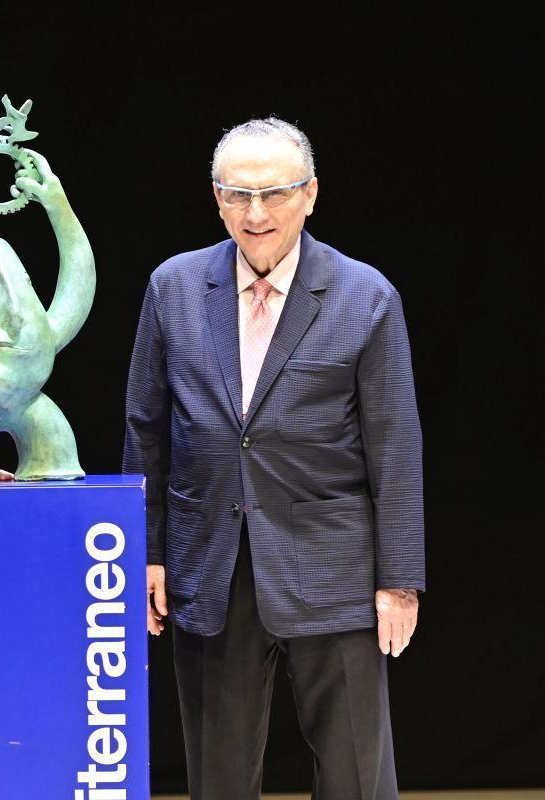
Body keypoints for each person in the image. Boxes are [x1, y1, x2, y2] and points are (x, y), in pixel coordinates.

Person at [123, 117, 424, 799]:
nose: (255, 214)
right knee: (219, 776)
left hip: (334, 566)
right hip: (210, 563)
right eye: (237, 195)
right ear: (217, 199)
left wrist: (399, 579)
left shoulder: (364, 295)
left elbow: (396, 443)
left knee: (355, 774)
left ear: (310, 194)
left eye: (275, 194)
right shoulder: (172, 288)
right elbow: (146, 427)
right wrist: (148, 551)